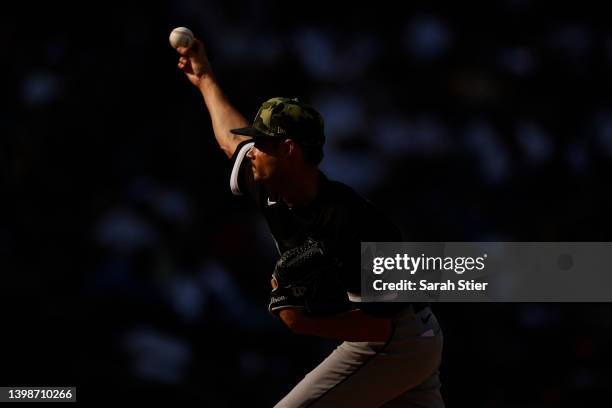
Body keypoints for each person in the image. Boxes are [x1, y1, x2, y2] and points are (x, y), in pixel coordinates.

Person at [175, 37, 444, 408]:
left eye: (262, 143)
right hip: (403, 337)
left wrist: (303, 323)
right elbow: (228, 140)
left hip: (398, 338)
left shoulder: (353, 221)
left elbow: (380, 326)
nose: (251, 150)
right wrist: (205, 78)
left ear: (289, 149)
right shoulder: (268, 184)